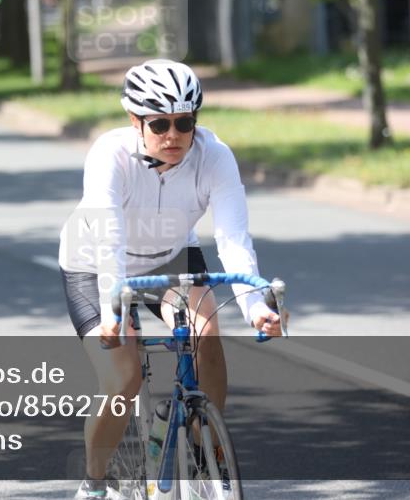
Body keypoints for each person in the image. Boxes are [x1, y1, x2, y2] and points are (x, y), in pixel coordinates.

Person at [59, 59, 286, 499]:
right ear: (135, 121)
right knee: (123, 380)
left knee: (207, 333)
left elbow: (234, 239)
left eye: (185, 123)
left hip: (169, 257)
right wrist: (113, 310)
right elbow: (108, 240)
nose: (173, 136)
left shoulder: (214, 156)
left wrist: (257, 306)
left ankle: (205, 447)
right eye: (160, 123)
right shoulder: (110, 156)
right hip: (96, 263)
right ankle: (95, 480)